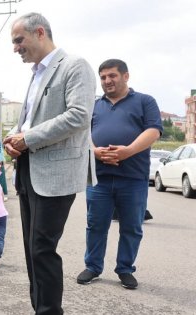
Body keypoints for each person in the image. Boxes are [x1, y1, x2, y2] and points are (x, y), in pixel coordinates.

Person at [3, 13, 97, 314]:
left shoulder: (74, 66)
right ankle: (39, 308)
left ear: (40, 32)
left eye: (19, 40)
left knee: (43, 249)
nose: (16, 48)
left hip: (55, 172)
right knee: (33, 251)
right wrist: (13, 138)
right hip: (29, 169)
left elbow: (78, 116)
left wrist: (27, 138)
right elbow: (30, 121)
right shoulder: (35, 73)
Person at [76, 59, 162, 290]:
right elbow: (84, 133)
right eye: (103, 77)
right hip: (99, 178)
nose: (107, 81)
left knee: (132, 227)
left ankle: (125, 269)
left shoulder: (145, 101)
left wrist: (128, 152)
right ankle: (93, 266)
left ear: (126, 76)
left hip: (133, 178)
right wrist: (94, 151)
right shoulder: (95, 105)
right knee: (95, 225)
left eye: (112, 76)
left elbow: (154, 131)